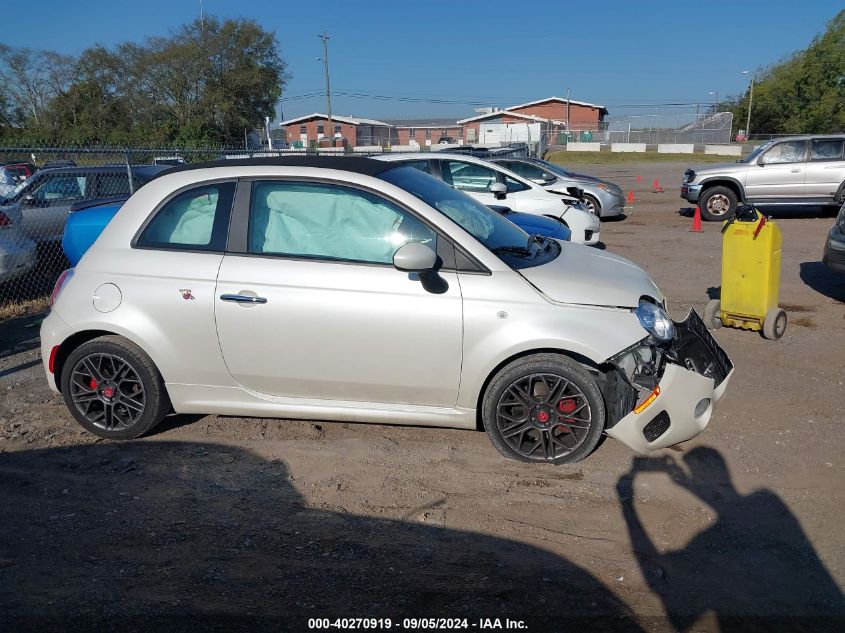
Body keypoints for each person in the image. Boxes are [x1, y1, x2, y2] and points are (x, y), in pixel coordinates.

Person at [617, 447, 845, 631]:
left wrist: (626, 503)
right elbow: (731, 507)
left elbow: (670, 601)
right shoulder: (767, 499)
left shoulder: (716, 535)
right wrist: (684, 482)